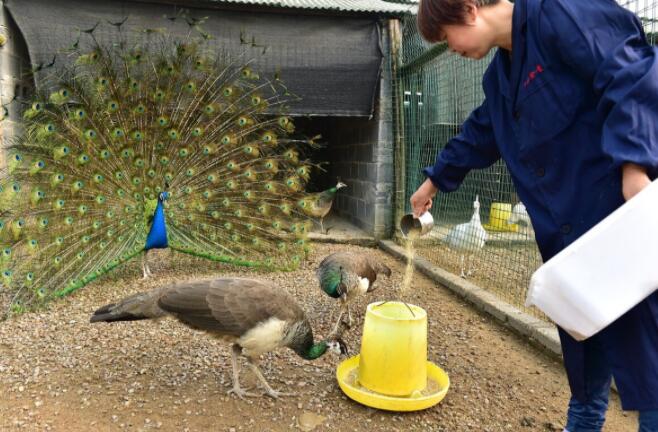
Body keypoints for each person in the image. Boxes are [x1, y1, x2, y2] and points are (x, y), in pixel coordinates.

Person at [410, 0, 658, 430]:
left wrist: (636, 166)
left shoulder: (561, 14)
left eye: (446, 39)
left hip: (618, 224)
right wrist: (434, 180)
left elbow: (633, 73)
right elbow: (481, 132)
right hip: (567, 239)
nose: (451, 50)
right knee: (584, 348)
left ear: (469, 10)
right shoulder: (499, 76)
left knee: (649, 361)